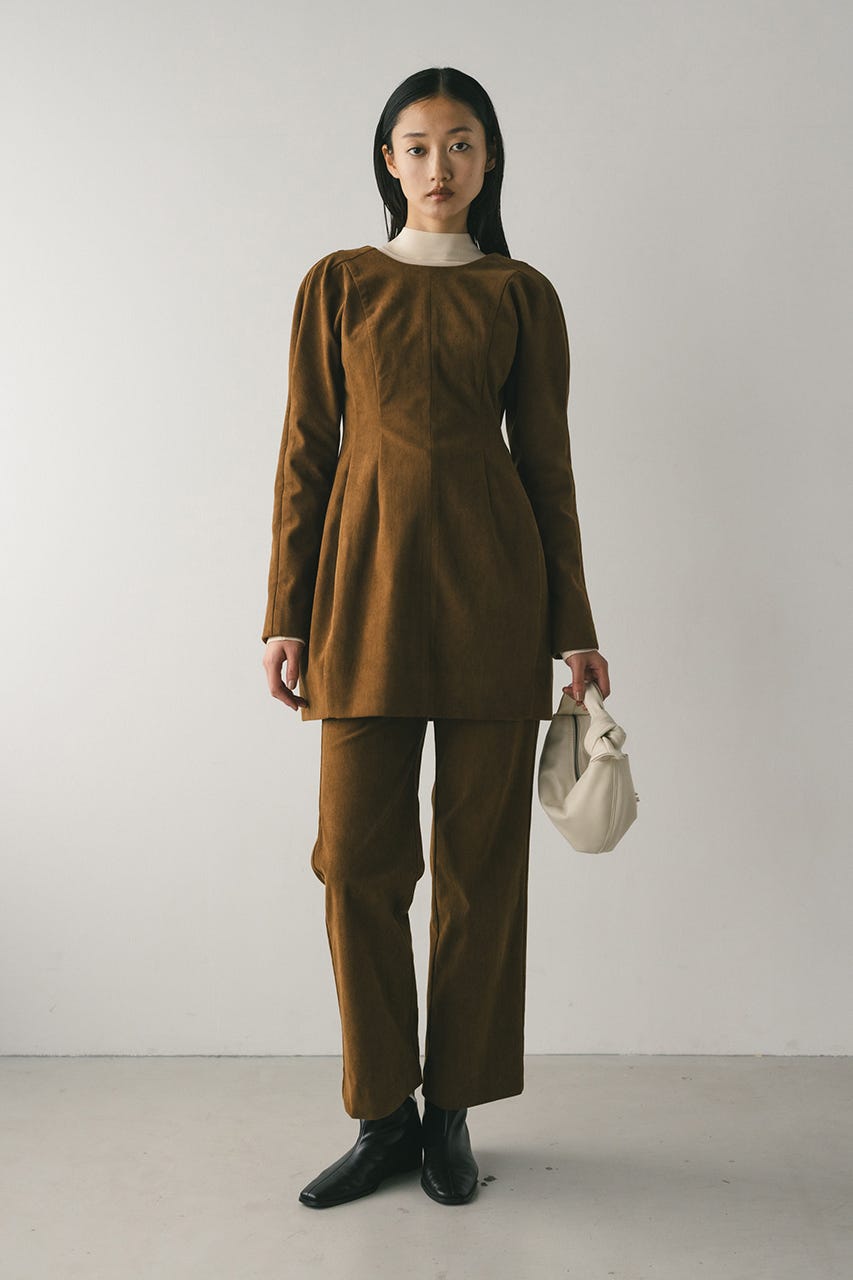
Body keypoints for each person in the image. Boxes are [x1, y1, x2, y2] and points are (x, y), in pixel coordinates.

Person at [261, 66, 610, 1209]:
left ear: (489, 158)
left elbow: (547, 463)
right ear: (388, 160)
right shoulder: (339, 284)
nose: (439, 164)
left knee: (479, 869)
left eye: (461, 143)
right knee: (355, 860)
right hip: (359, 599)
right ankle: (382, 1115)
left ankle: (451, 1109)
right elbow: (306, 452)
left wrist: (574, 625)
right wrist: (285, 612)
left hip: (493, 599)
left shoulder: (520, 294)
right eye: (417, 145)